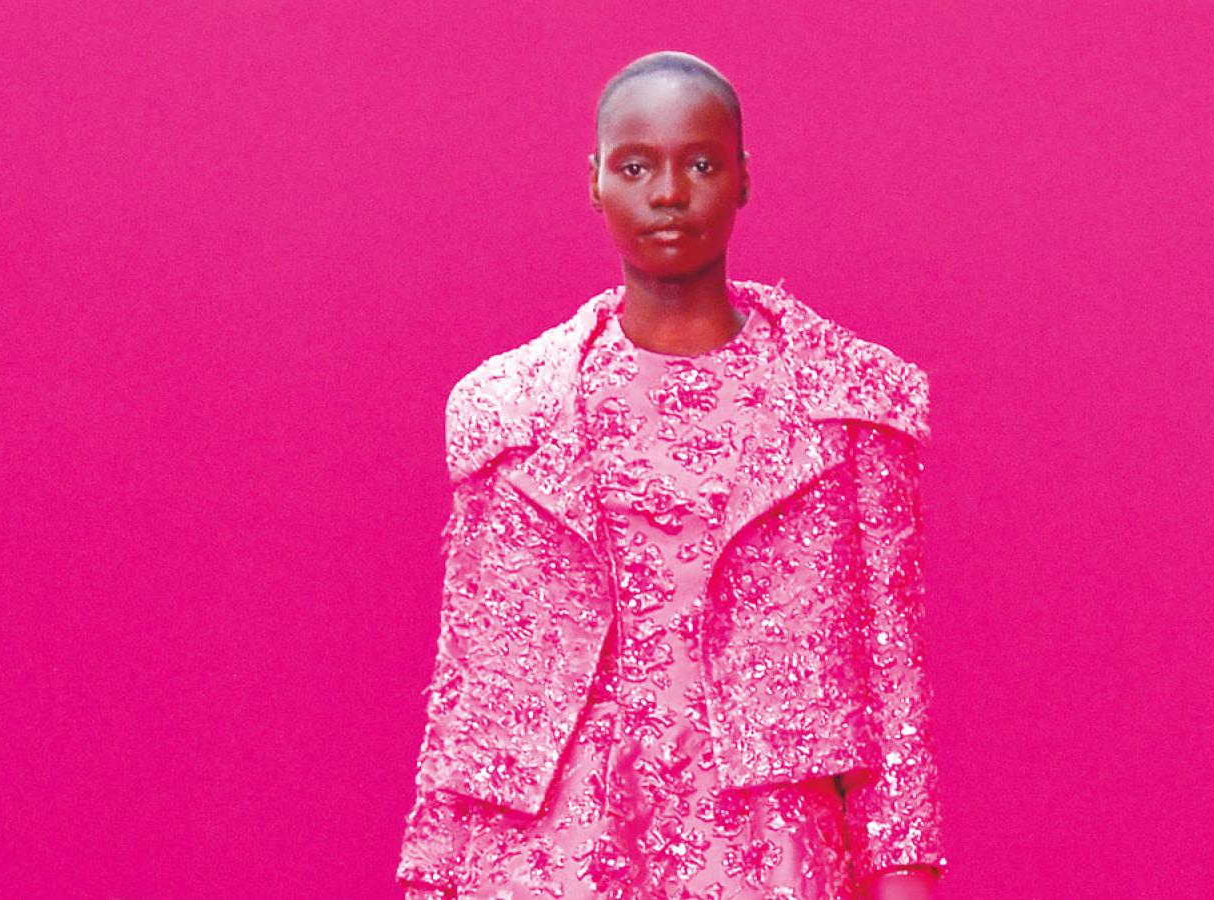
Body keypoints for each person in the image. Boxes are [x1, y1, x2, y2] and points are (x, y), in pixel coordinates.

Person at [398, 50, 948, 899]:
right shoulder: (505, 414)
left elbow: (893, 686)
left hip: (766, 858)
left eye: (699, 165)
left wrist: (902, 875)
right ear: (593, 181)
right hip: (548, 862)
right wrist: (431, 882)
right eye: (635, 167)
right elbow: (469, 696)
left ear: (743, 178)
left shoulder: (851, 406)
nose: (667, 194)